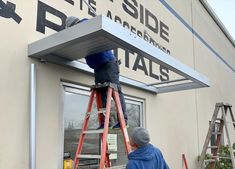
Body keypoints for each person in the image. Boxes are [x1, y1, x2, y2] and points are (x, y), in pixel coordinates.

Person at [65, 16, 128, 130]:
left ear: (75, 24)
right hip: (98, 67)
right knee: (101, 94)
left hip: (108, 64)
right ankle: (105, 122)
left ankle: (123, 120)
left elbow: (93, 24)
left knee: (115, 92)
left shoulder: (85, 24)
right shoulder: (80, 35)